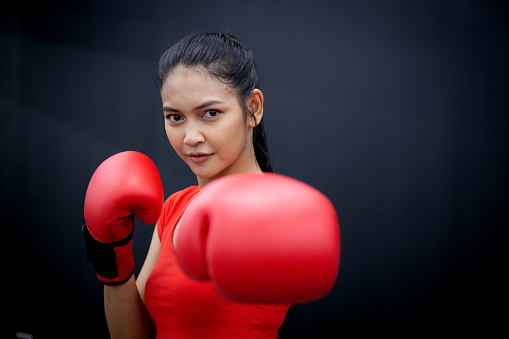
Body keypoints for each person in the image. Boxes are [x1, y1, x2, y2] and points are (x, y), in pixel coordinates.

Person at [82, 32, 339, 339]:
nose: (191, 137)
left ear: (253, 108)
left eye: (211, 113)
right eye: (175, 117)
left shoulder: (277, 214)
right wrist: (114, 259)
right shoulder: (175, 207)